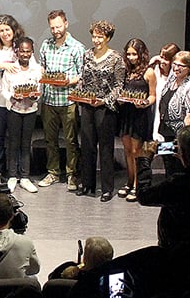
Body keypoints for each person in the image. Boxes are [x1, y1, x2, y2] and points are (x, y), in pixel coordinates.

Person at [75, 20, 125, 202]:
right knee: (87, 146)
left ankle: (106, 188)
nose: (96, 40)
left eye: (100, 37)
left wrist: (104, 100)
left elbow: (119, 85)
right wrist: (79, 94)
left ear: (108, 37)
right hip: (87, 106)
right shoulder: (87, 55)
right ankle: (87, 183)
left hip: (106, 108)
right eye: (94, 36)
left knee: (105, 148)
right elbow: (83, 79)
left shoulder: (116, 58)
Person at [38, 10, 85, 192]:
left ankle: (72, 174)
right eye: (52, 27)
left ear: (66, 23)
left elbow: (82, 75)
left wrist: (68, 81)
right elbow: (42, 67)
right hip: (49, 99)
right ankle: (53, 172)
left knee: (71, 140)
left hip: (68, 100)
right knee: (50, 140)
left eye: (58, 26)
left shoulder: (77, 47)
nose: (55, 30)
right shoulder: (46, 45)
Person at [0, 14, 27, 184]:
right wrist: (1, 66)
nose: (4, 33)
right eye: (1, 30)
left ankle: (15, 172)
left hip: (18, 102)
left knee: (16, 138)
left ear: (14, 29)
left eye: (7, 29)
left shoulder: (21, 47)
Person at [0, 37, 42, 194]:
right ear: (17, 51)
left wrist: (34, 97)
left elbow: (39, 90)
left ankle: (24, 177)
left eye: (28, 51)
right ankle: (12, 175)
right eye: (22, 51)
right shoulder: (10, 69)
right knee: (13, 142)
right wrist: (12, 96)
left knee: (26, 143)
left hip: (30, 110)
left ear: (32, 52)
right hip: (14, 110)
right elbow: (4, 90)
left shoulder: (37, 69)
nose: (25, 54)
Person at [157, 51, 190, 176]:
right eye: (174, 64)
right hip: (167, 131)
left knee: (180, 167)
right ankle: (170, 189)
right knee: (168, 164)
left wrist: (180, 140)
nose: (176, 68)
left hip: (182, 136)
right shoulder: (172, 80)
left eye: (181, 66)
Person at [118, 38, 156, 202]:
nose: (131, 57)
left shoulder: (149, 72)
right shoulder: (126, 71)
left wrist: (145, 102)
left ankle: (136, 185)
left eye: (134, 54)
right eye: (129, 54)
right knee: (127, 151)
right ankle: (129, 180)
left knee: (136, 152)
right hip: (126, 114)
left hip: (140, 116)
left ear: (141, 54)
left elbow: (153, 95)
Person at [147, 42, 180, 142]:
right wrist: (151, 62)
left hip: (170, 120)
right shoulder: (155, 70)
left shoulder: (177, 75)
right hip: (154, 113)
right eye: (161, 57)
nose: (162, 61)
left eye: (166, 59)